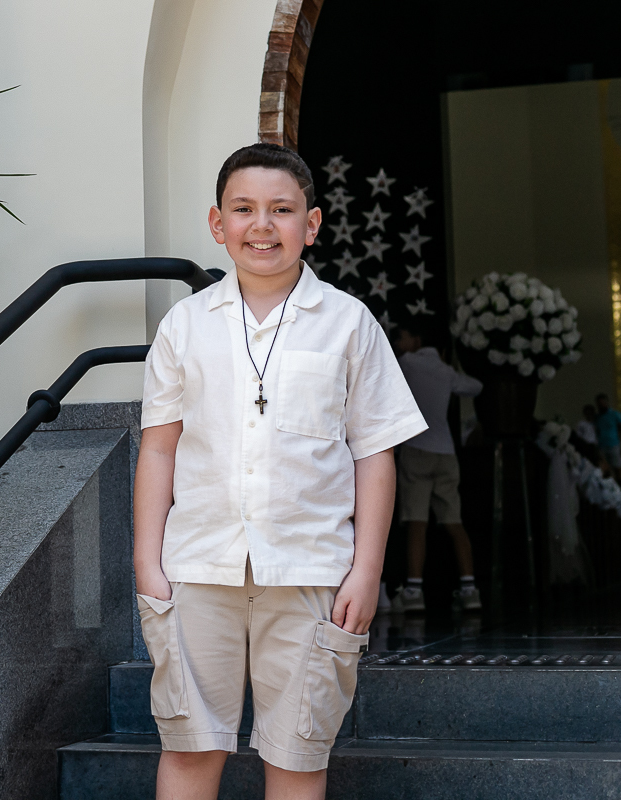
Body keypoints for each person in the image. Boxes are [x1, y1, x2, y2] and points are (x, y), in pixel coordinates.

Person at [136, 144, 426, 800]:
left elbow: (373, 452)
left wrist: (367, 568)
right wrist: (148, 564)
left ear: (312, 224)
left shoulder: (349, 324)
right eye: (244, 209)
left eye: (281, 210)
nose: (262, 225)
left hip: (311, 571)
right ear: (218, 224)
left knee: (297, 759)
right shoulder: (183, 327)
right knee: (189, 752)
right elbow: (158, 449)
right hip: (196, 569)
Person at [391, 322, 483, 613]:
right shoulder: (445, 371)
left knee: (417, 522)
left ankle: (414, 592)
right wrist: (446, 367)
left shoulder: (406, 363)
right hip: (446, 452)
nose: (397, 339)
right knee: (454, 522)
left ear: (417, 339)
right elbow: (475, 387)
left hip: (417, 449)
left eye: (402, 335)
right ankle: (470, 590)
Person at [594, 393, 621, 475]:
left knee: (617, 468)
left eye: (603, 403)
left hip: (614, 445)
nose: (601, 405)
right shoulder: (597, 417)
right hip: (602, 446)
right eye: (599, 404)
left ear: (607, 402)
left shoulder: (614, 414)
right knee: (605, 469)